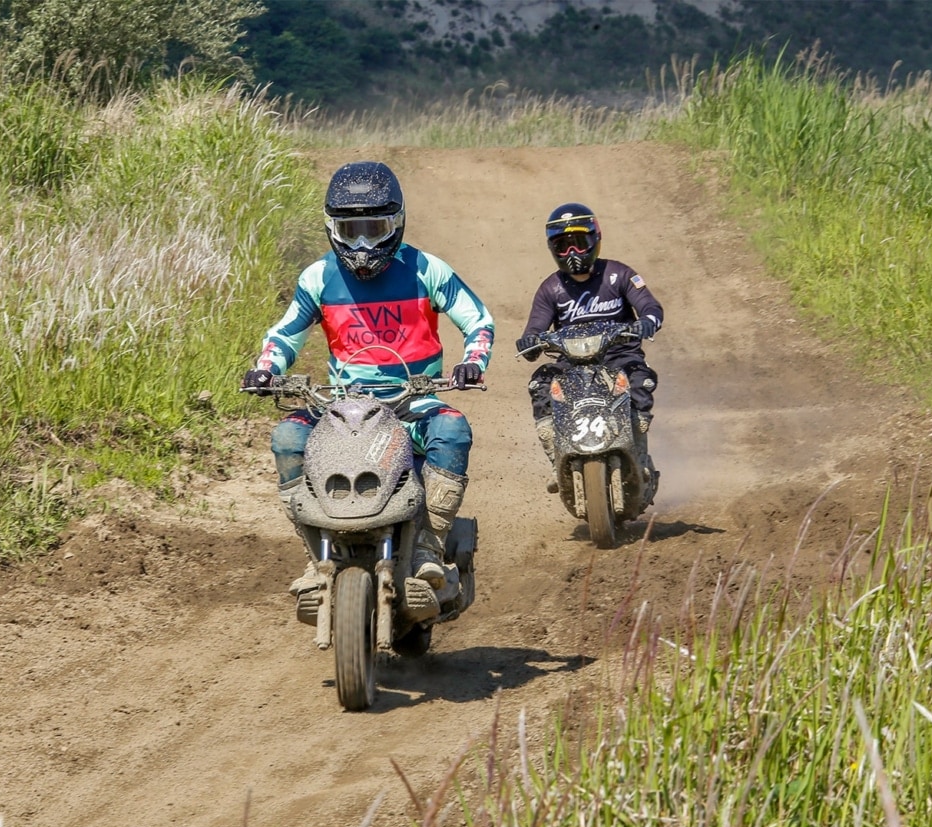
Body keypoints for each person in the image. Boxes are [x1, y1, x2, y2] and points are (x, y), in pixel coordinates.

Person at [242, 160, 494, 607]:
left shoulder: (427, 269)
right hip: (340, 407)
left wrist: (472, 362)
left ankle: (427, 546)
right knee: (287, 437)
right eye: (351, 229)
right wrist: (267, 368)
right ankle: (315, 555)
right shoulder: (318, 277)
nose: (362, 243)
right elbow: (284, 336)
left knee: (453, 429)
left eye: (374, 228)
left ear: (395, 223)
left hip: (412, 401)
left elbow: (478, 321)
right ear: (331, 227)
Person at [516, 202, 664, 491]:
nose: (572, 253)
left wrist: (646, 321)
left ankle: (640, 455)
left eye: (579, 243)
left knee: (641, 380)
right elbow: (534, 329)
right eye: (563, 246)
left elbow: (650, 306)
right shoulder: (550, 289)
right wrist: (530, 342)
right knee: (540, 384)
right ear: (552, 250)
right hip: (571, 364)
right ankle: (556, 459)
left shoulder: (619, 274)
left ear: (595, 239)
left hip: (620, 356)